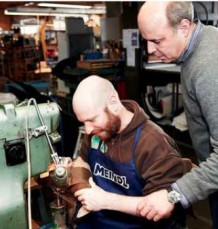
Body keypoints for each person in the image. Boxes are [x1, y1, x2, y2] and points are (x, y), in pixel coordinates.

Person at [136, 2, 218, 229]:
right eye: (146, 40)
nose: (149, 50)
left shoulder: (211, 68)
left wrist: (173, 195)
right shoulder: (199, 43)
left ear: (184, 27)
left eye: (157, 40)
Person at [72, 75, 193, 228]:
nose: (88, 130)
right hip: (97, 221)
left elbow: (160, 208)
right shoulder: (97, 132)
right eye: (83, 122)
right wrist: (86, 193)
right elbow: (81, 161)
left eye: (92, 120)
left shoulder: (153, 144)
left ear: (113, 103)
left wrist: (103, 201)